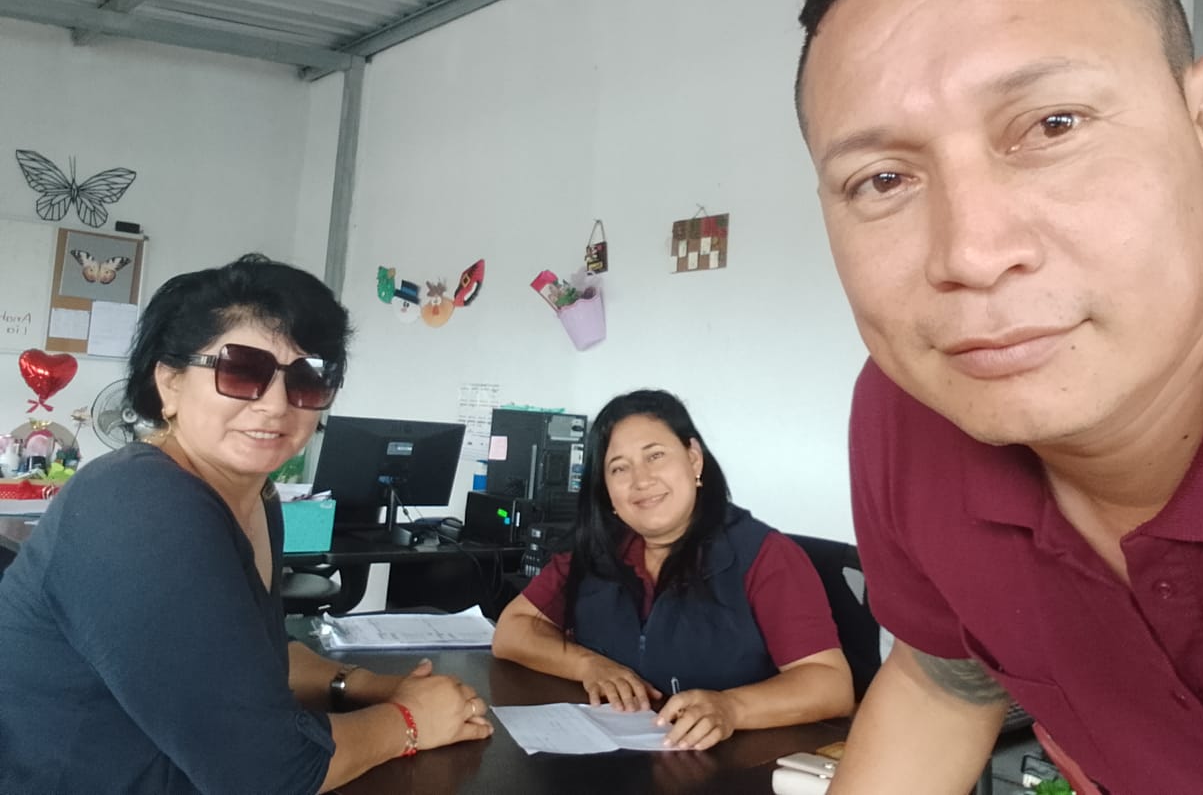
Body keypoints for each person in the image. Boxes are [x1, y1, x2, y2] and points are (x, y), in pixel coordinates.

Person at [794, 0, 1203, 793]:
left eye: (1053, 124)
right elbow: (946, 680)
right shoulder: (909, 413)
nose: (972, 253)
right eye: (883, 179)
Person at [0, 255, 492, 794]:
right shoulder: (138, 503)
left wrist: (368, 685)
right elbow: (266, 776)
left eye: (309, 378)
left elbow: (249, 660)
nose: (276, 405)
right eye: (241, 371)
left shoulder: (257, 497)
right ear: (170, 384)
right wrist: (411, 722)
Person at [492, 389, 854, 750]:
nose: (641, 480)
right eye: (619, 468)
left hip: (733, 764)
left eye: (655, 456)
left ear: (693, 459)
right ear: (606, 490)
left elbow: (830, 684)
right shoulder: (597, 551)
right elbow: (512, 630)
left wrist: (732, 707)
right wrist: (589, 665)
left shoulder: (765, 556)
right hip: (613, 761)